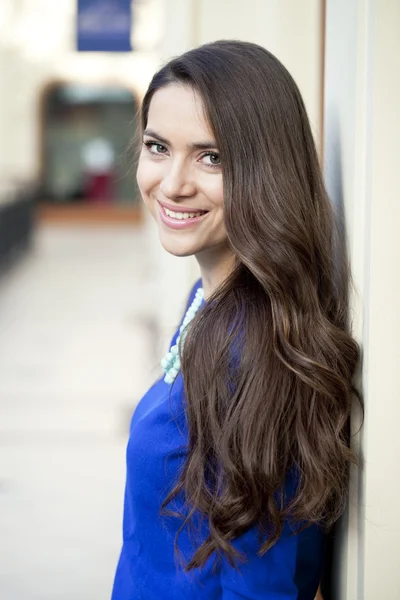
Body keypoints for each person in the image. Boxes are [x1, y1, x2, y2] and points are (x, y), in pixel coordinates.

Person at [111, 40, 361, 600]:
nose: (172, 184)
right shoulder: (210, 298)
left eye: (212, 156)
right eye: (158, 146)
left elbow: (260, 587)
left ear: (266, 170)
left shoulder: (250, 353)